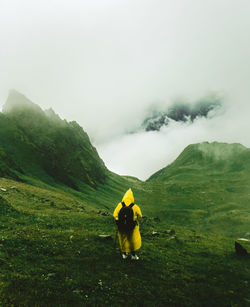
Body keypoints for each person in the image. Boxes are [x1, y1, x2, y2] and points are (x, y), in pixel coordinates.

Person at [113, 188, 142, 260]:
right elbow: (140, 216)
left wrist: (118, 220)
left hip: (121, 226)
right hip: (132, 227)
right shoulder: (135, 206)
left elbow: (115, 214)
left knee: (123, 239)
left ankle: (124, 254)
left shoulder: (120, 205)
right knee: (133, 240)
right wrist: (136, 220)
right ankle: (133, 255)